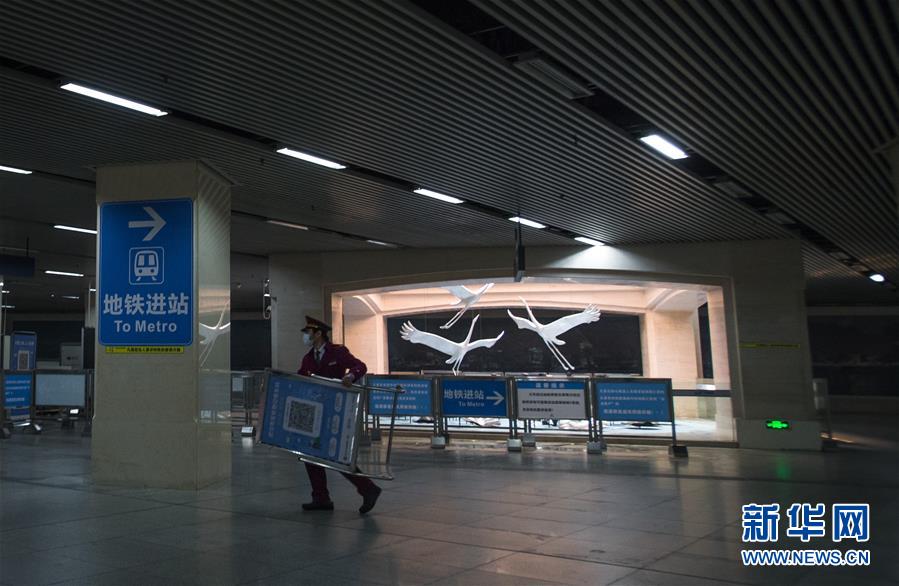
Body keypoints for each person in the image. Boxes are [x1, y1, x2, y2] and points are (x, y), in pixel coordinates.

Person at [297, 315, 382, 514]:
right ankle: (321, 497)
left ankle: (367, 488)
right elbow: (300, 377)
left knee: (333, 455)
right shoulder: (308, 358)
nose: (305, 336)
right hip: (316, 412)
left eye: (308, 332)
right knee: (310, 454)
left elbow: (360, 366)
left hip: (335, 411)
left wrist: (350, 376)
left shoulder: (337, 352)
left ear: (318, 333)